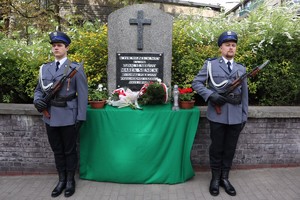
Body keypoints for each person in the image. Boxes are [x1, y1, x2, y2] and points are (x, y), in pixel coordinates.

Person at [192, 31, 248, 196]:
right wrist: (211, 95)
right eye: (227, 45)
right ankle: (215, 179)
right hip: (217, 115)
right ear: (221, 48)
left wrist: (244, 115)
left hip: (236, 116)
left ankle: (225, 178)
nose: (231, 48)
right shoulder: (211, 65)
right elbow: (196, 82)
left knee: (230, 149)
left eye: (233, 45)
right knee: (216, 148)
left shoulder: (241, 68)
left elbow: (244, 94)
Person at [33, 31, 88, 198]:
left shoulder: (75, 69)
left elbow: (83, 94)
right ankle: (61, 180)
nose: (56, 48)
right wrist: (37, 101)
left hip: (68, 115)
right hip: (49, 116)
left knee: (70, 150)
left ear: (67, 48)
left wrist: (81, 117)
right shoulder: (45, 68)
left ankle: (70, 181)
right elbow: (38, 90)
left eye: (59, 45)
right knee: (57, 150)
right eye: (54, 45)